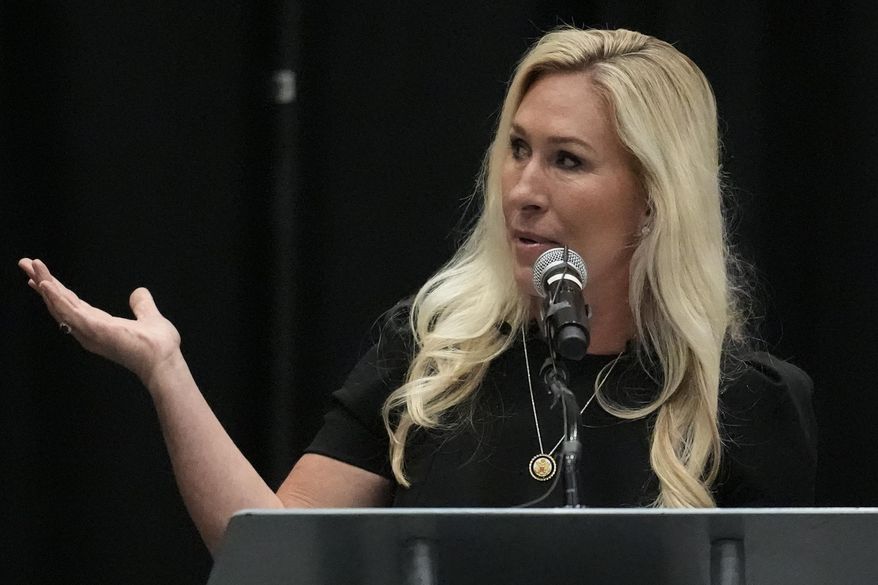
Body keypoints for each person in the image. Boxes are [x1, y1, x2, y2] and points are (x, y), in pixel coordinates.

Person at [18, 27, 816, 554]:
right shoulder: (435, 357)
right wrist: (167, 374)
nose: (522, 190)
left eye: (567, 160)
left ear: (653, 199)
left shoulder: (744, 400)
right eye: (517, 148)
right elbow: (270, 551)